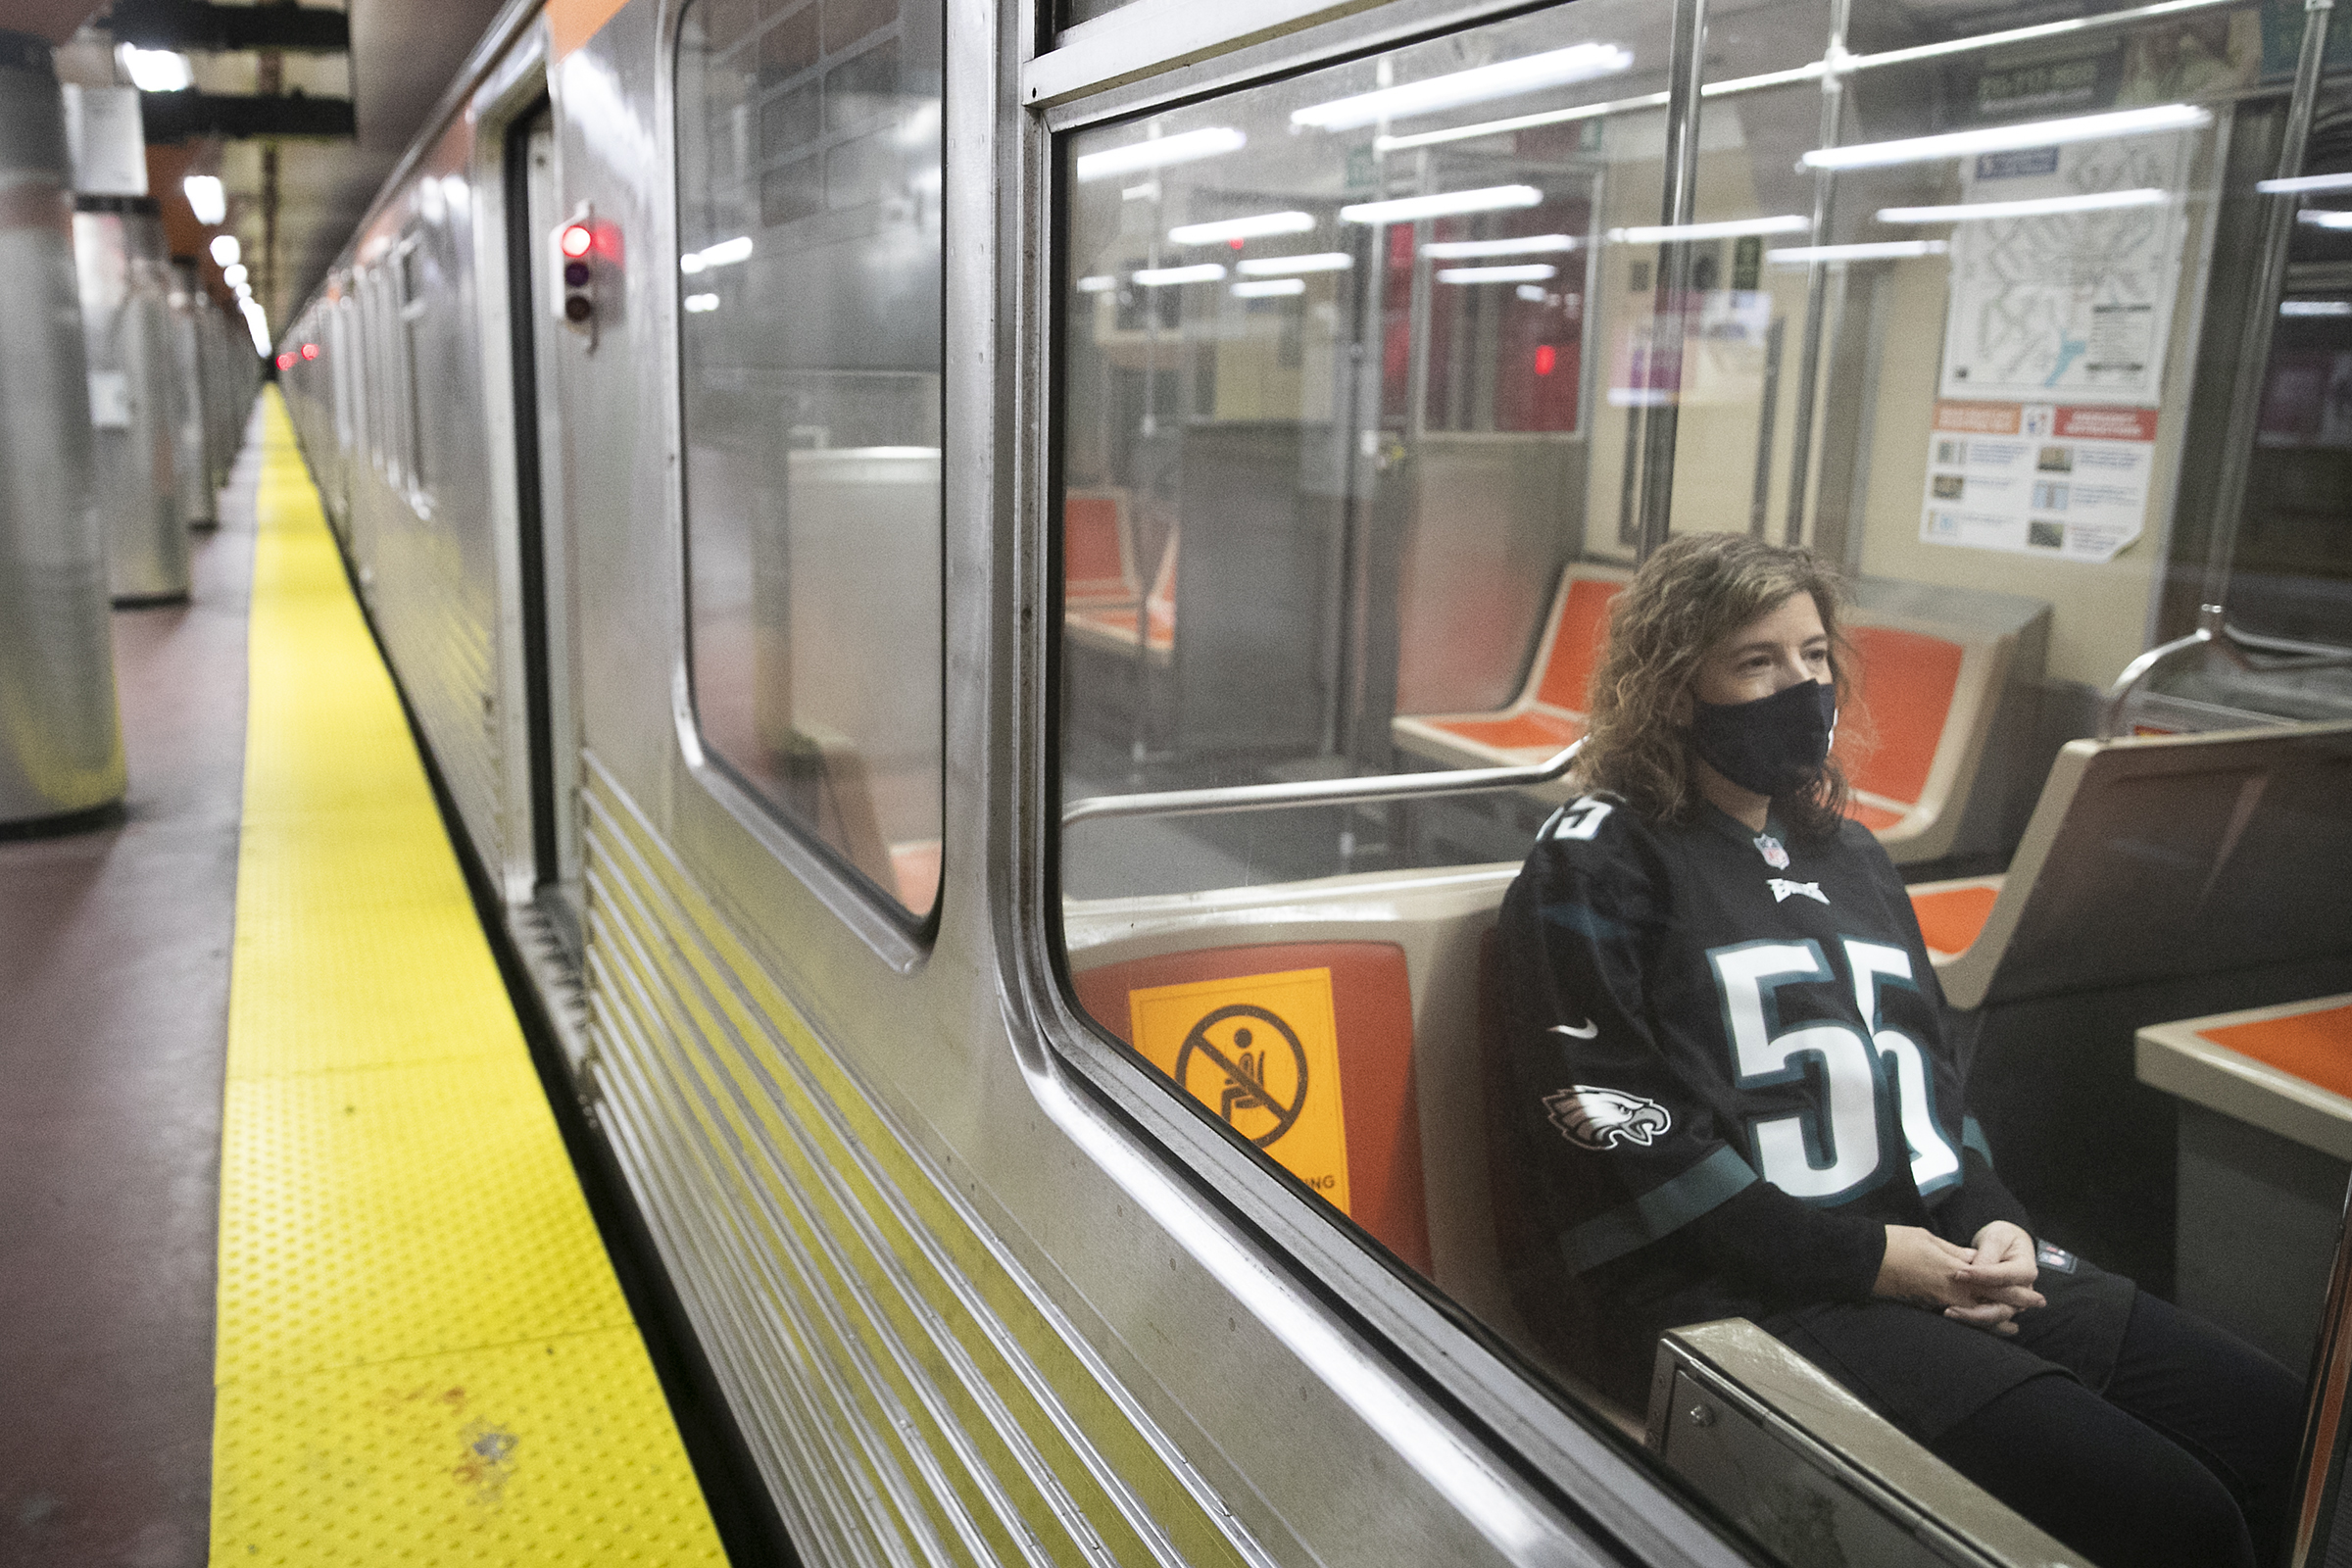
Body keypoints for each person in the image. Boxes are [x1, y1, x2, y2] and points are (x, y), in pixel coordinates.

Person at [1495, 534, 2303, 1568]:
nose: (1800, 686)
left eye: (1815, 656)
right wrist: (1873, 1261)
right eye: (1756, 662)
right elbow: (1621, 1135)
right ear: (1674, 690)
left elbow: (1927, 1085)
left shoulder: (1853, 853)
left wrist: (1991, 1214)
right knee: (2175, 1519)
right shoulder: (1598, 858)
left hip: (1921, 1248)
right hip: (1733, 1290)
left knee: (2280, 1430)